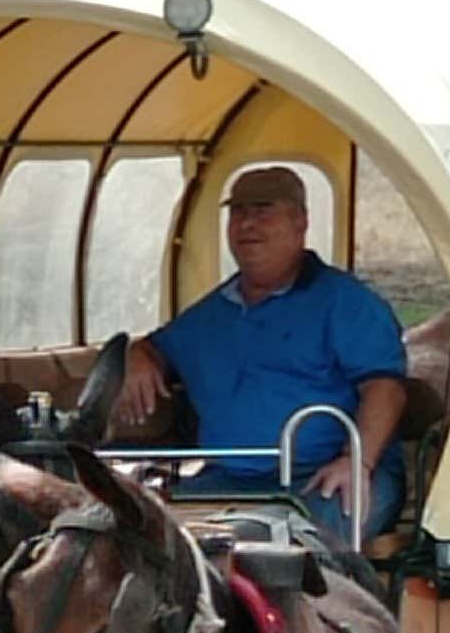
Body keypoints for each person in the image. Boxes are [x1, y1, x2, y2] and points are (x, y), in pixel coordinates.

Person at [113, 166, 409, 544]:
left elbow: (386, 387)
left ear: (300, 222)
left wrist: (358, 460)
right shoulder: (212, 313)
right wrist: (139, 357)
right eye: (238, 212)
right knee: (145, 539)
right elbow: (157, 347)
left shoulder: (346, 303)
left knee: (291, 543)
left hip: (323, 476)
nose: (247, 224)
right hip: (228, 480)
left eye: (263, 210)